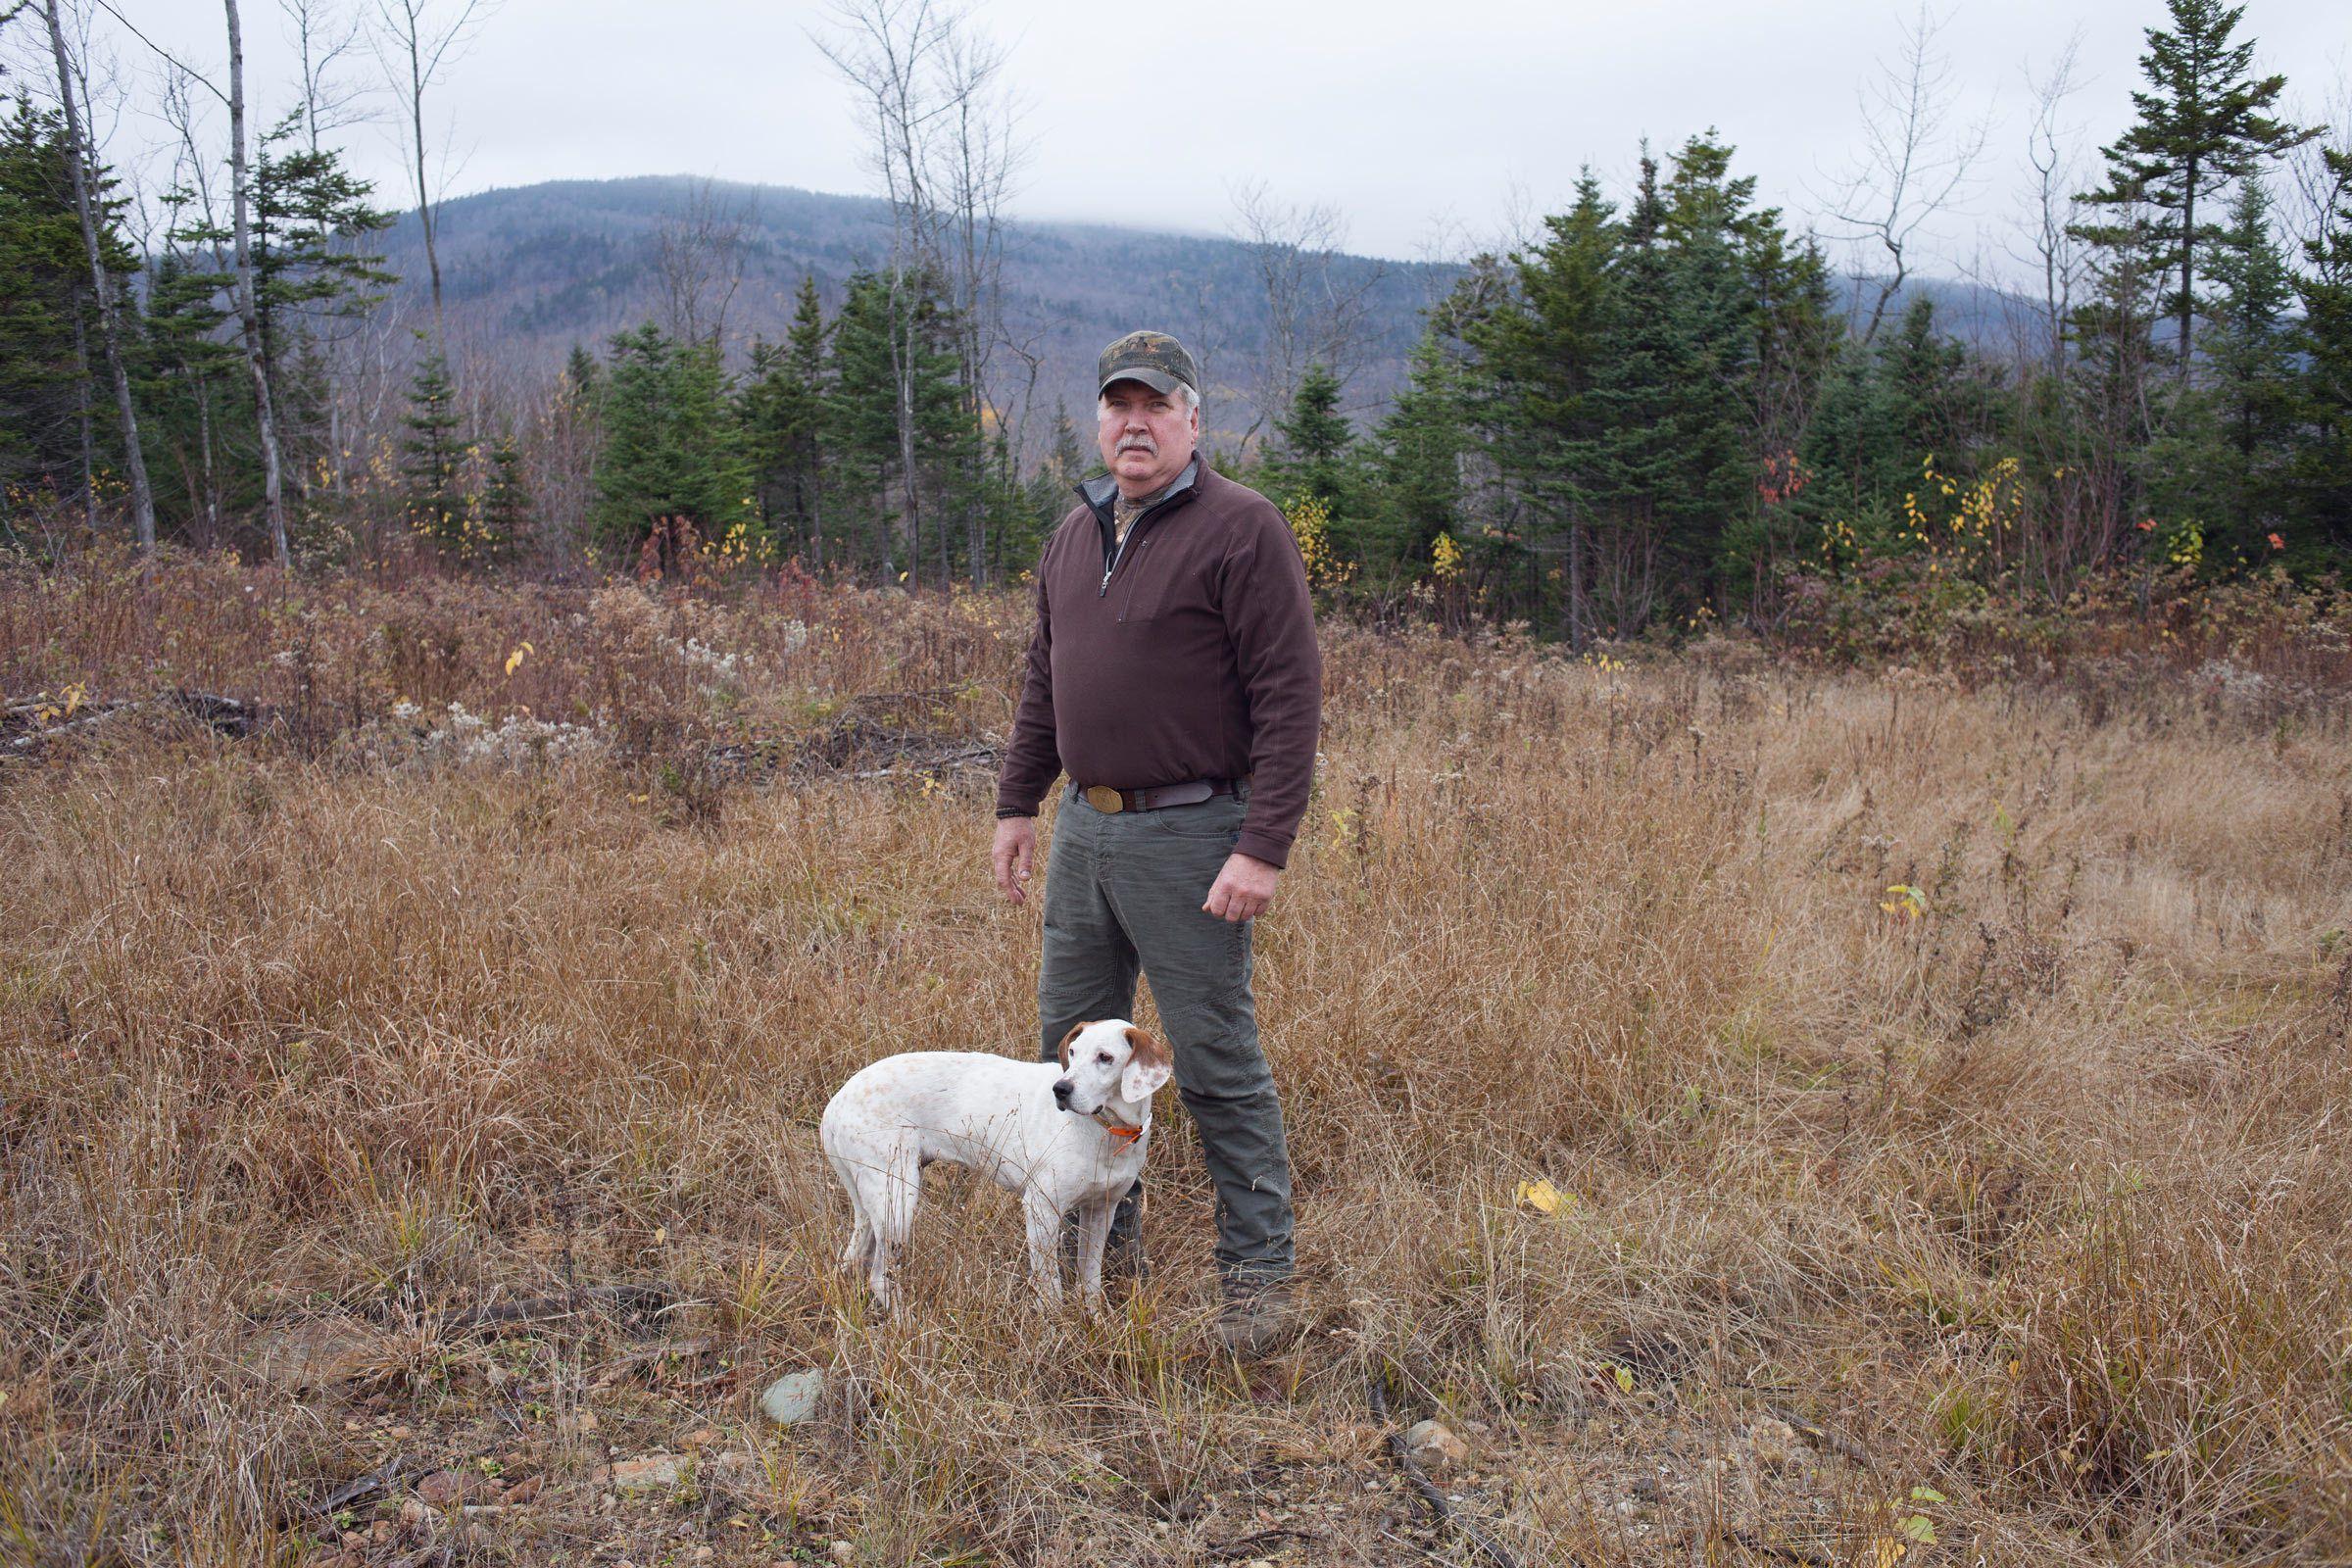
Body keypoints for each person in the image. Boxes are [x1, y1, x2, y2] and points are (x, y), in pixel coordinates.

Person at [991, 329, 1322, 1356]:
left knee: (1215, 1058)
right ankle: (1110, 1256)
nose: (1134, 422)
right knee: (1076, 1057)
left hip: (1193, 834)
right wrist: (1018, 803)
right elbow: (1047, 681)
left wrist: (1263, 842)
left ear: (1191, 418)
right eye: (1116, 404)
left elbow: (1289, 691)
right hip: (1085, 831)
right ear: (1098, 422)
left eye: (1155, 404)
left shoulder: (1241, 529)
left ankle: (1259, 1282)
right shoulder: (1075, 531)